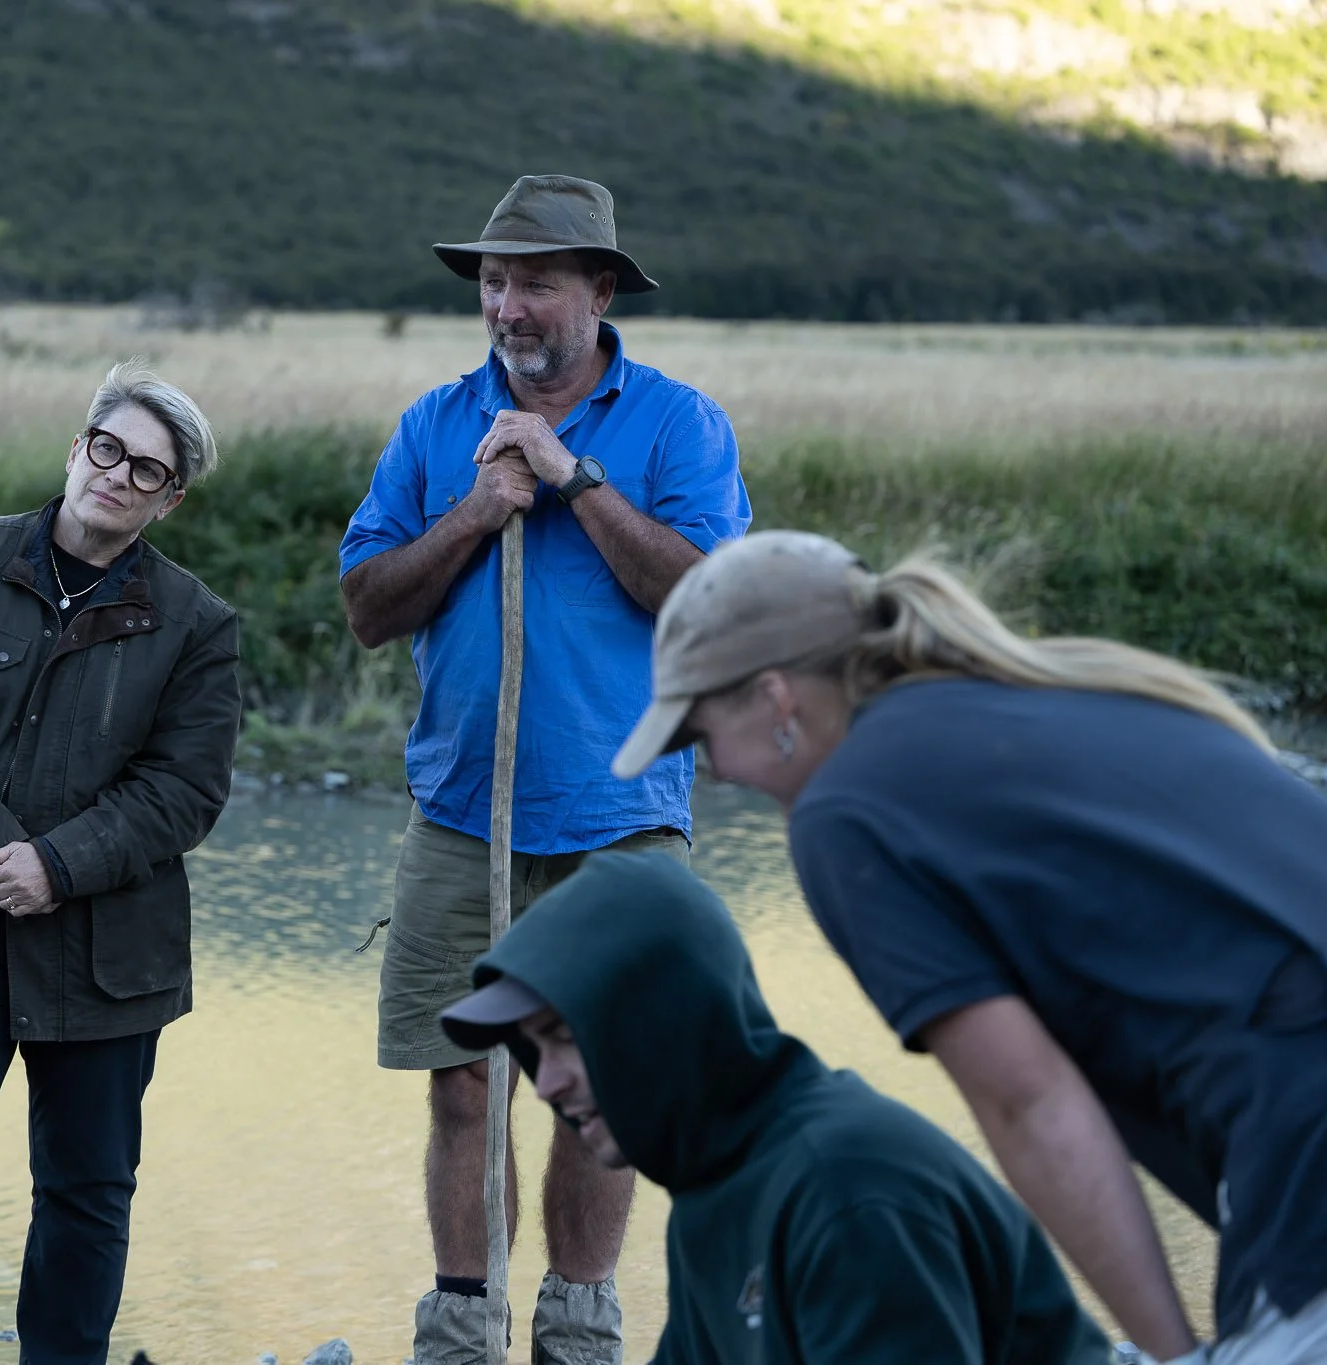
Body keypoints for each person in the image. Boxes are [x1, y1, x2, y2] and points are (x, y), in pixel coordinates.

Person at [610, 529, 1327, 1364]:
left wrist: (1177, 1352)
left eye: (700, 735)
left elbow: (1027, 1100)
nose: (715, 773)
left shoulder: (847, 812)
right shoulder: (1071, 692)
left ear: (777, 702)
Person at [338, 173, 751, 1361]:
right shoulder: (433, 424)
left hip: (621, 817)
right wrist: (476, 510)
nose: (506, 307)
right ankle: (460, 1326)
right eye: (492, 281)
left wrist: (574, 481)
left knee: (601, 1084)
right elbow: (367, 608)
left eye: (533, 284)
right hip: (462, 815)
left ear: (599, 292)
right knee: (460, 1077)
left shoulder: (675, 424)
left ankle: (577, 1327)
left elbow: (706, 601)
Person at [0, 363, 242, 1365]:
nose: (117, 476)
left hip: (109, 950)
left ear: (169, 500)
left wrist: (57, 867)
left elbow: (183, 789)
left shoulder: (197, 626)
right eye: (107, 449)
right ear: (76, 448)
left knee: (84, 1198)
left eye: (146, 471)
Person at [439, 850, 1116, 1364]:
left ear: (663, 1019)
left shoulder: (848, 1191)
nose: (543, 1084)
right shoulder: (716, 1195)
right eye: (533, 1049)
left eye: (564, 1038)